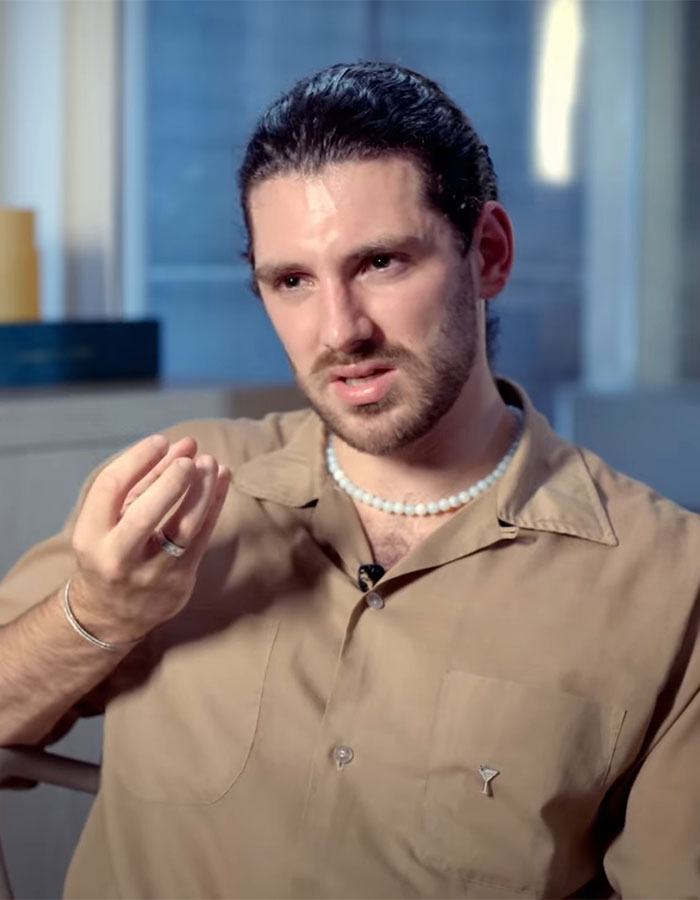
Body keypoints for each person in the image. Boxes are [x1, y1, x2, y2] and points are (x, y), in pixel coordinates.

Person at [0, 61, 699, 900]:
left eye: (379, 263)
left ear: (489, 254)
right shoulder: (173, 491)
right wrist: (100, 614)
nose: (340, 331)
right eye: (291, 281)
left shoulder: (671, 582)